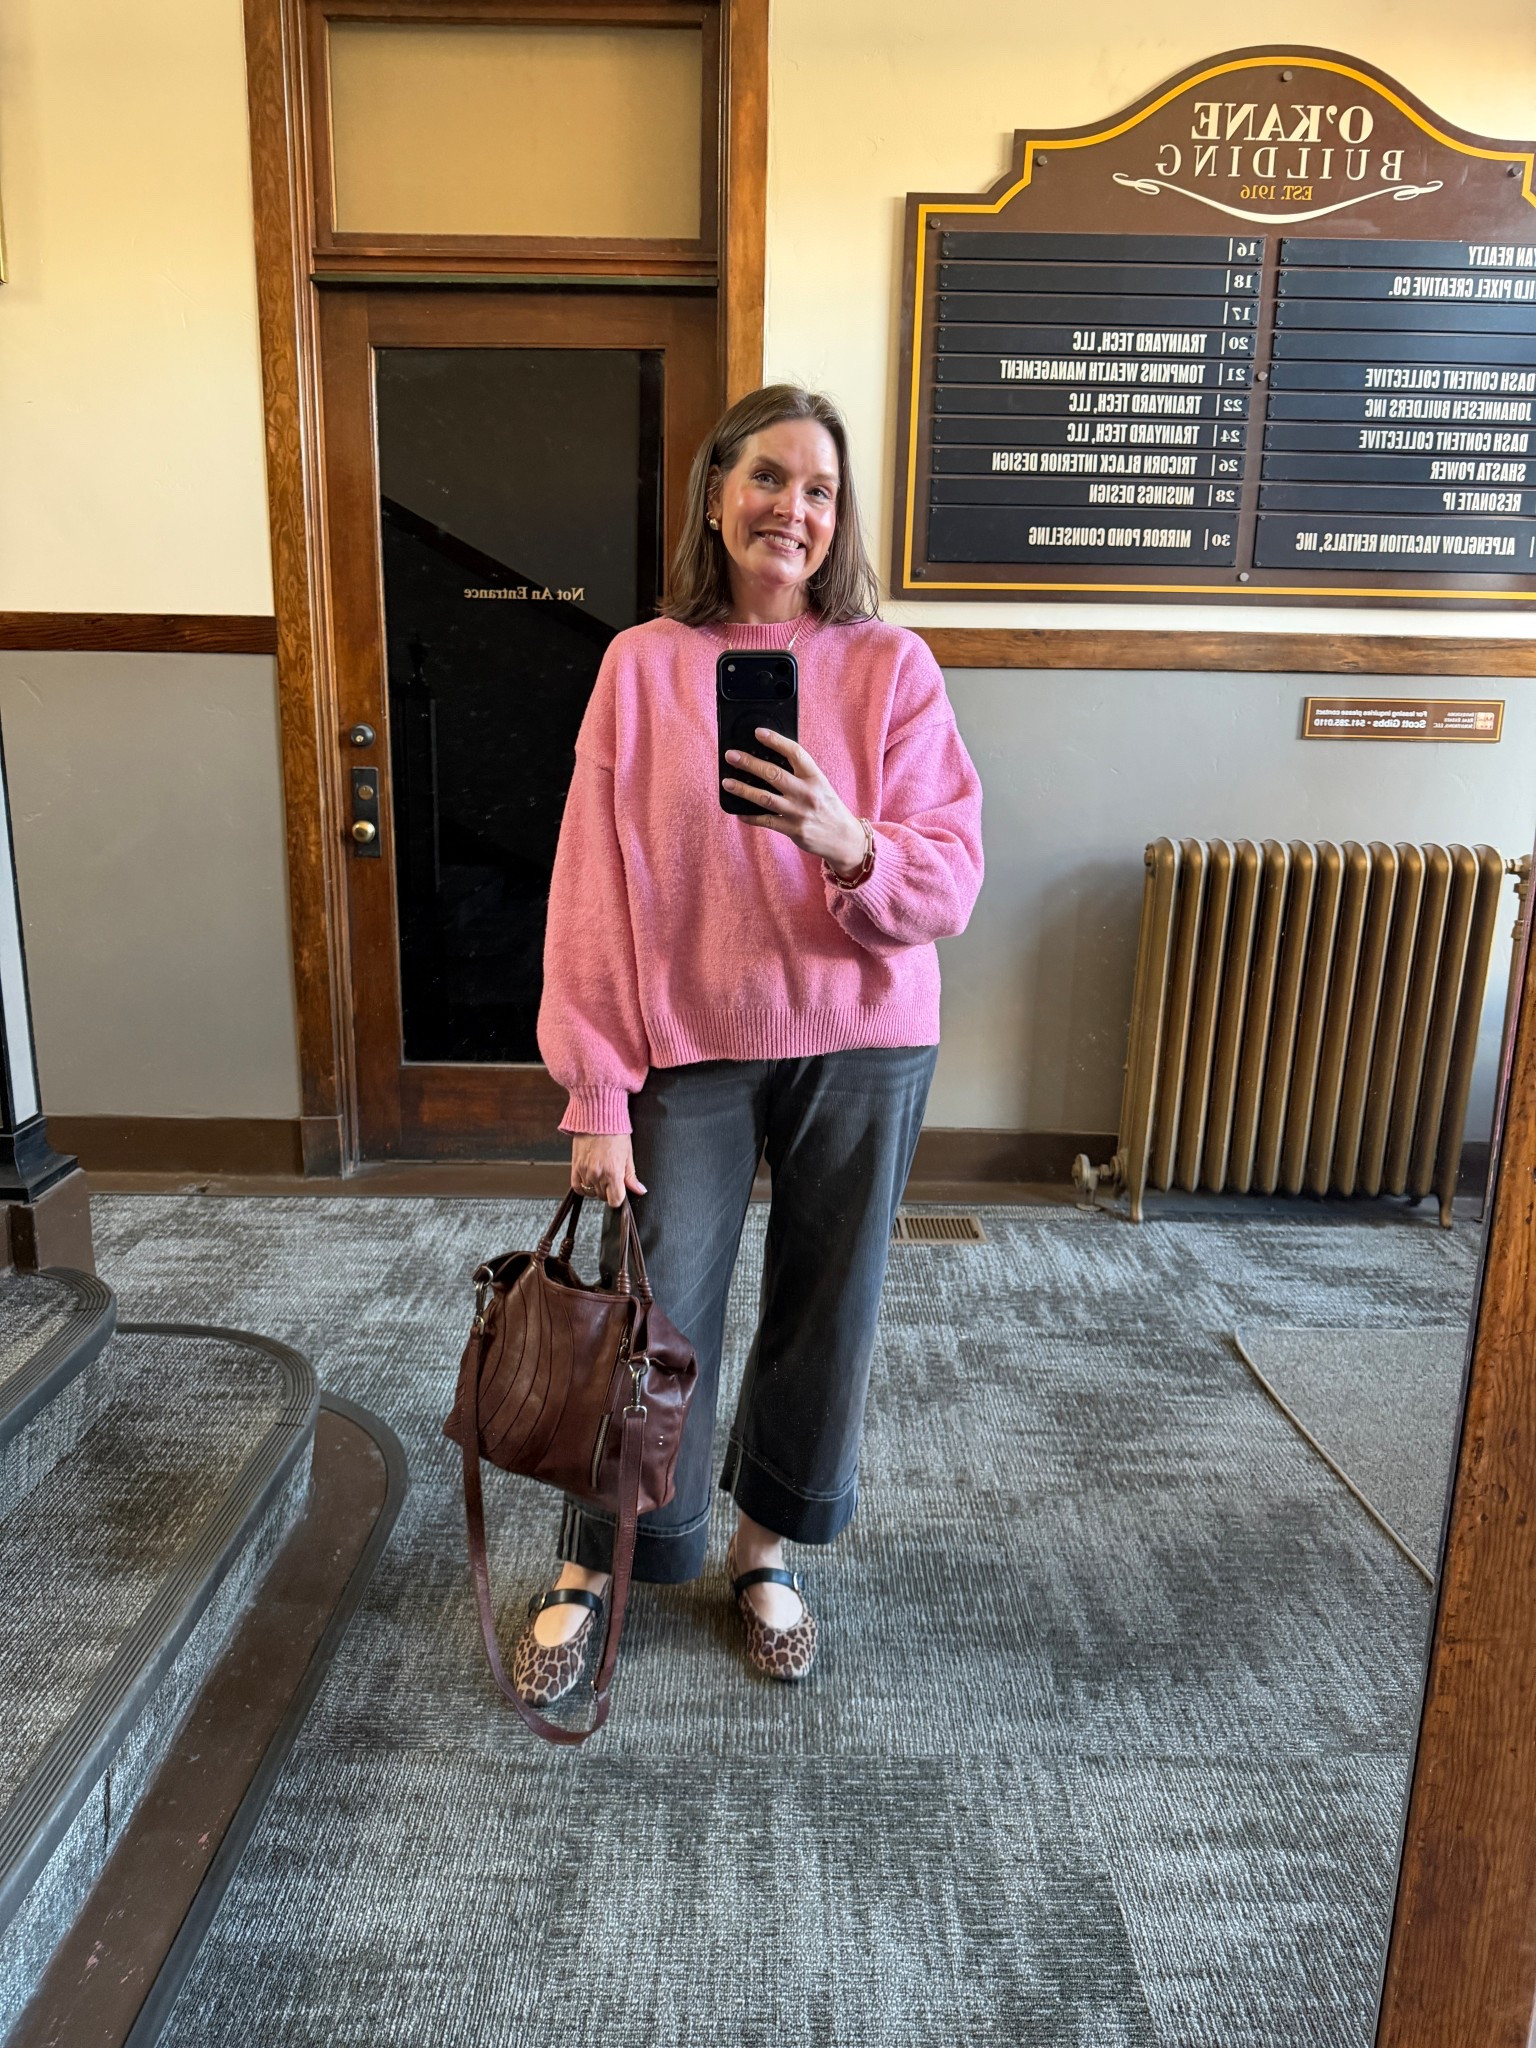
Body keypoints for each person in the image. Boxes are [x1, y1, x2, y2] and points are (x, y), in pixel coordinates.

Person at [520, 383, 983, 1701]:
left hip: (865, 1036)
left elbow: (950, 878)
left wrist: (850, 842)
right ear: (718, 495)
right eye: (769, 478)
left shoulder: (893, 668)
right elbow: (592, 889)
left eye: (820, 490)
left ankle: (765, 1547)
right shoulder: (642, 665)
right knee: (651, 1307)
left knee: (828, 1305)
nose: (794, 508)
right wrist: (596, 1090)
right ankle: (602, 1554)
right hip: (691, 1042)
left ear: (841, 520)